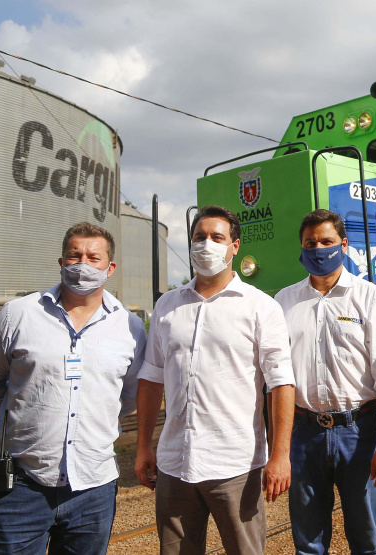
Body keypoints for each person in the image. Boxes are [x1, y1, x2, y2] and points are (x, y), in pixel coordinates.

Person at [0, 222, 146, 554]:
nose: (82, 264)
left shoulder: (130, 326)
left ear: (110, 268)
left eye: (93, 257)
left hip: (93, 490)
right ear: (61, 261)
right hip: (21, 486)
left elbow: (131, 396)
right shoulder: (19, 315)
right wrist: (26, 411)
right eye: (73, 255)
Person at [135, 205, 295, 555]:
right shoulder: (168, 306)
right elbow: (151, 377)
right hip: (175, 462)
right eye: (199, 237)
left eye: (216, 238)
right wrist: (144, 444)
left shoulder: (260, 307)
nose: (206, 244)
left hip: (235, 465)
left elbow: (281, 382)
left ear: (234, 246)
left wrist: (280, 454)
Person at [274, 209, 376, 555]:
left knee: (366, 539)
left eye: (327, 241)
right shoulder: (283, 302)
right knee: (307, 543)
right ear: (301, 248)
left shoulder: (370, 298)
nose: (318, 248)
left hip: (359, 433)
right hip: (303, 435)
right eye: (310, 242)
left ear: (344, 245)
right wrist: (277, 447)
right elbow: (273, 379)